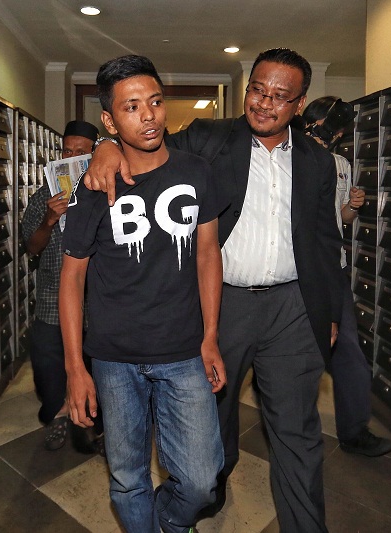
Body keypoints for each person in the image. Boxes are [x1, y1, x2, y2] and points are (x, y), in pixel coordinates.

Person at [85, 48, 343, 533]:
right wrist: (105, 145)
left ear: (300, 104)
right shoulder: (209, 138)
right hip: (222, 303)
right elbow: (146, 140)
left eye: (280, 97)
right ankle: (202, 498)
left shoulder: (318, 162)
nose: (265, 104)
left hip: (292, 308)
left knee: (297, 432)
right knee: (211, 425)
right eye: (257, 91)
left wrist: (329, 314)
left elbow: (327, 243)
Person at [59, 54, 226, 533]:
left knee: (200, 479)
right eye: (131, 107)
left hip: (183, 349)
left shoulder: (197, 171)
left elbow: (208, 254)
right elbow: (71, 278)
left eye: (154, 102)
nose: (148, 115)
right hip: (113, 356)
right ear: (109, 120)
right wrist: (76, 368)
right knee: (128, 477)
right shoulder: (94, 186)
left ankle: (170, 525)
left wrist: (211, 334)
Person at [302, 96, 391, 457]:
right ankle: (292, 427)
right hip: (299, 270)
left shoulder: (341, 164)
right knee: (297, 352)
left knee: (349, 352)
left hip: (334, 268)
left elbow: (341, 219)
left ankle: (355, 431)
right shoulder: (290, 158)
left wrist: (352, 206)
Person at [21, 120, 103, 452]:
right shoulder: (45, 196)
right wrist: (49, 219)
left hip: (97, 304)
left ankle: (91, 425)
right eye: (67, 151)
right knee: (46, 364)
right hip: (52, 301)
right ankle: (58, 413)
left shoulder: (105, 194)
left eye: (80, 152)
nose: (71, 157)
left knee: (96, 367)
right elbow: (32, 247)